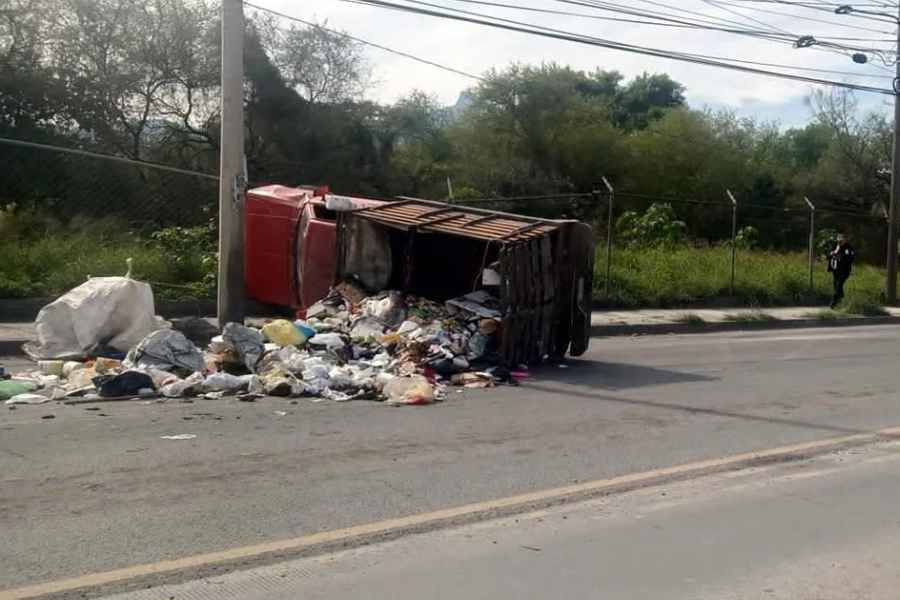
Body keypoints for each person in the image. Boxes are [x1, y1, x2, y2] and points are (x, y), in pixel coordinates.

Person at [828, 233, 856, 308]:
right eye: (838, 239)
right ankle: (841, 301)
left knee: (839, 285)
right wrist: (832, 254)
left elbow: (849, 258)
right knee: (836, 286)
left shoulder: (848, 248)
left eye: (841, 239)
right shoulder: (835, 246)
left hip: (844, 271)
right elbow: (830, 255)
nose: (839, 241)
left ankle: (833, 303)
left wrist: (838, 256)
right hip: (835, 270)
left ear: (845, 240)